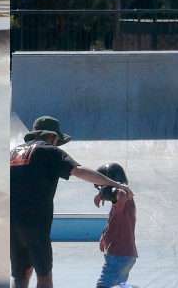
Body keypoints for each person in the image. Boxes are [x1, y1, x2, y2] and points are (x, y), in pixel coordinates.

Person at [10, 116, 132, 288]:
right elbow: (79, 171)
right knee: (44, 276)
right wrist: (114, 183)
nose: (58, 144)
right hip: (35, 224)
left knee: (20, 275)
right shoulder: (49, 150)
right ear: (51, 136)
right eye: (58, 140)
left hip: (11, 222)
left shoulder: (13, 153)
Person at [94, 163, 137, 288]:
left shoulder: (124, 197)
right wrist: (104, 236)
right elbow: (114, 222)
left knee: (103, 286)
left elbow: (120, 193)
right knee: (118, 285)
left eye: (101, 186)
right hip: (121, 254)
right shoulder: (118, 205)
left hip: (120, 255)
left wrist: (103, 194)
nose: (100, 190)